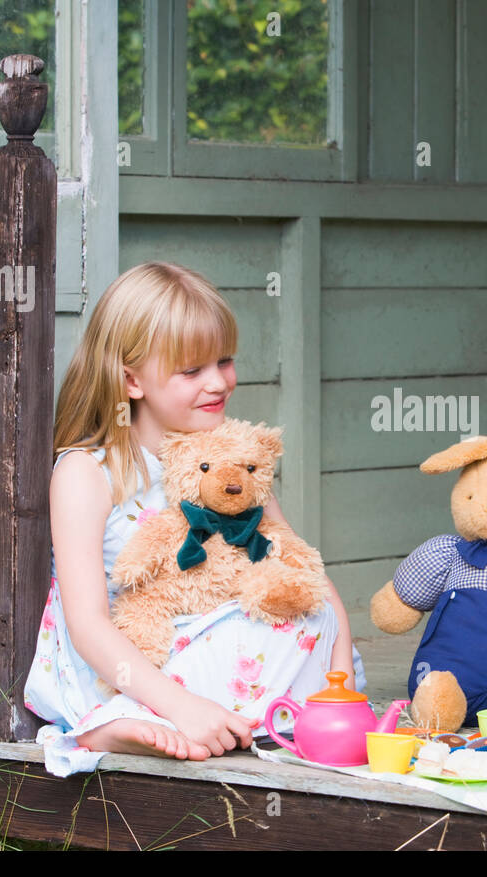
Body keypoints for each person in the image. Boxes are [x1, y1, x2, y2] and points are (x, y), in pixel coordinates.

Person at [25, 261, 366, 778]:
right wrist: (183, 704)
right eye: (192, 371)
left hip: (218, 641)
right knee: (242, 651)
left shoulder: (232, 458)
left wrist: (340, 673)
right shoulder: (88, 471)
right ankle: (123, 722)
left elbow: (296, 557)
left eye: (224, 360)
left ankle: (245, 717)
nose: (218, 382)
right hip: (139, 658)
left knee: (316, 612)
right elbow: (87, 623)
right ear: (131, 379)